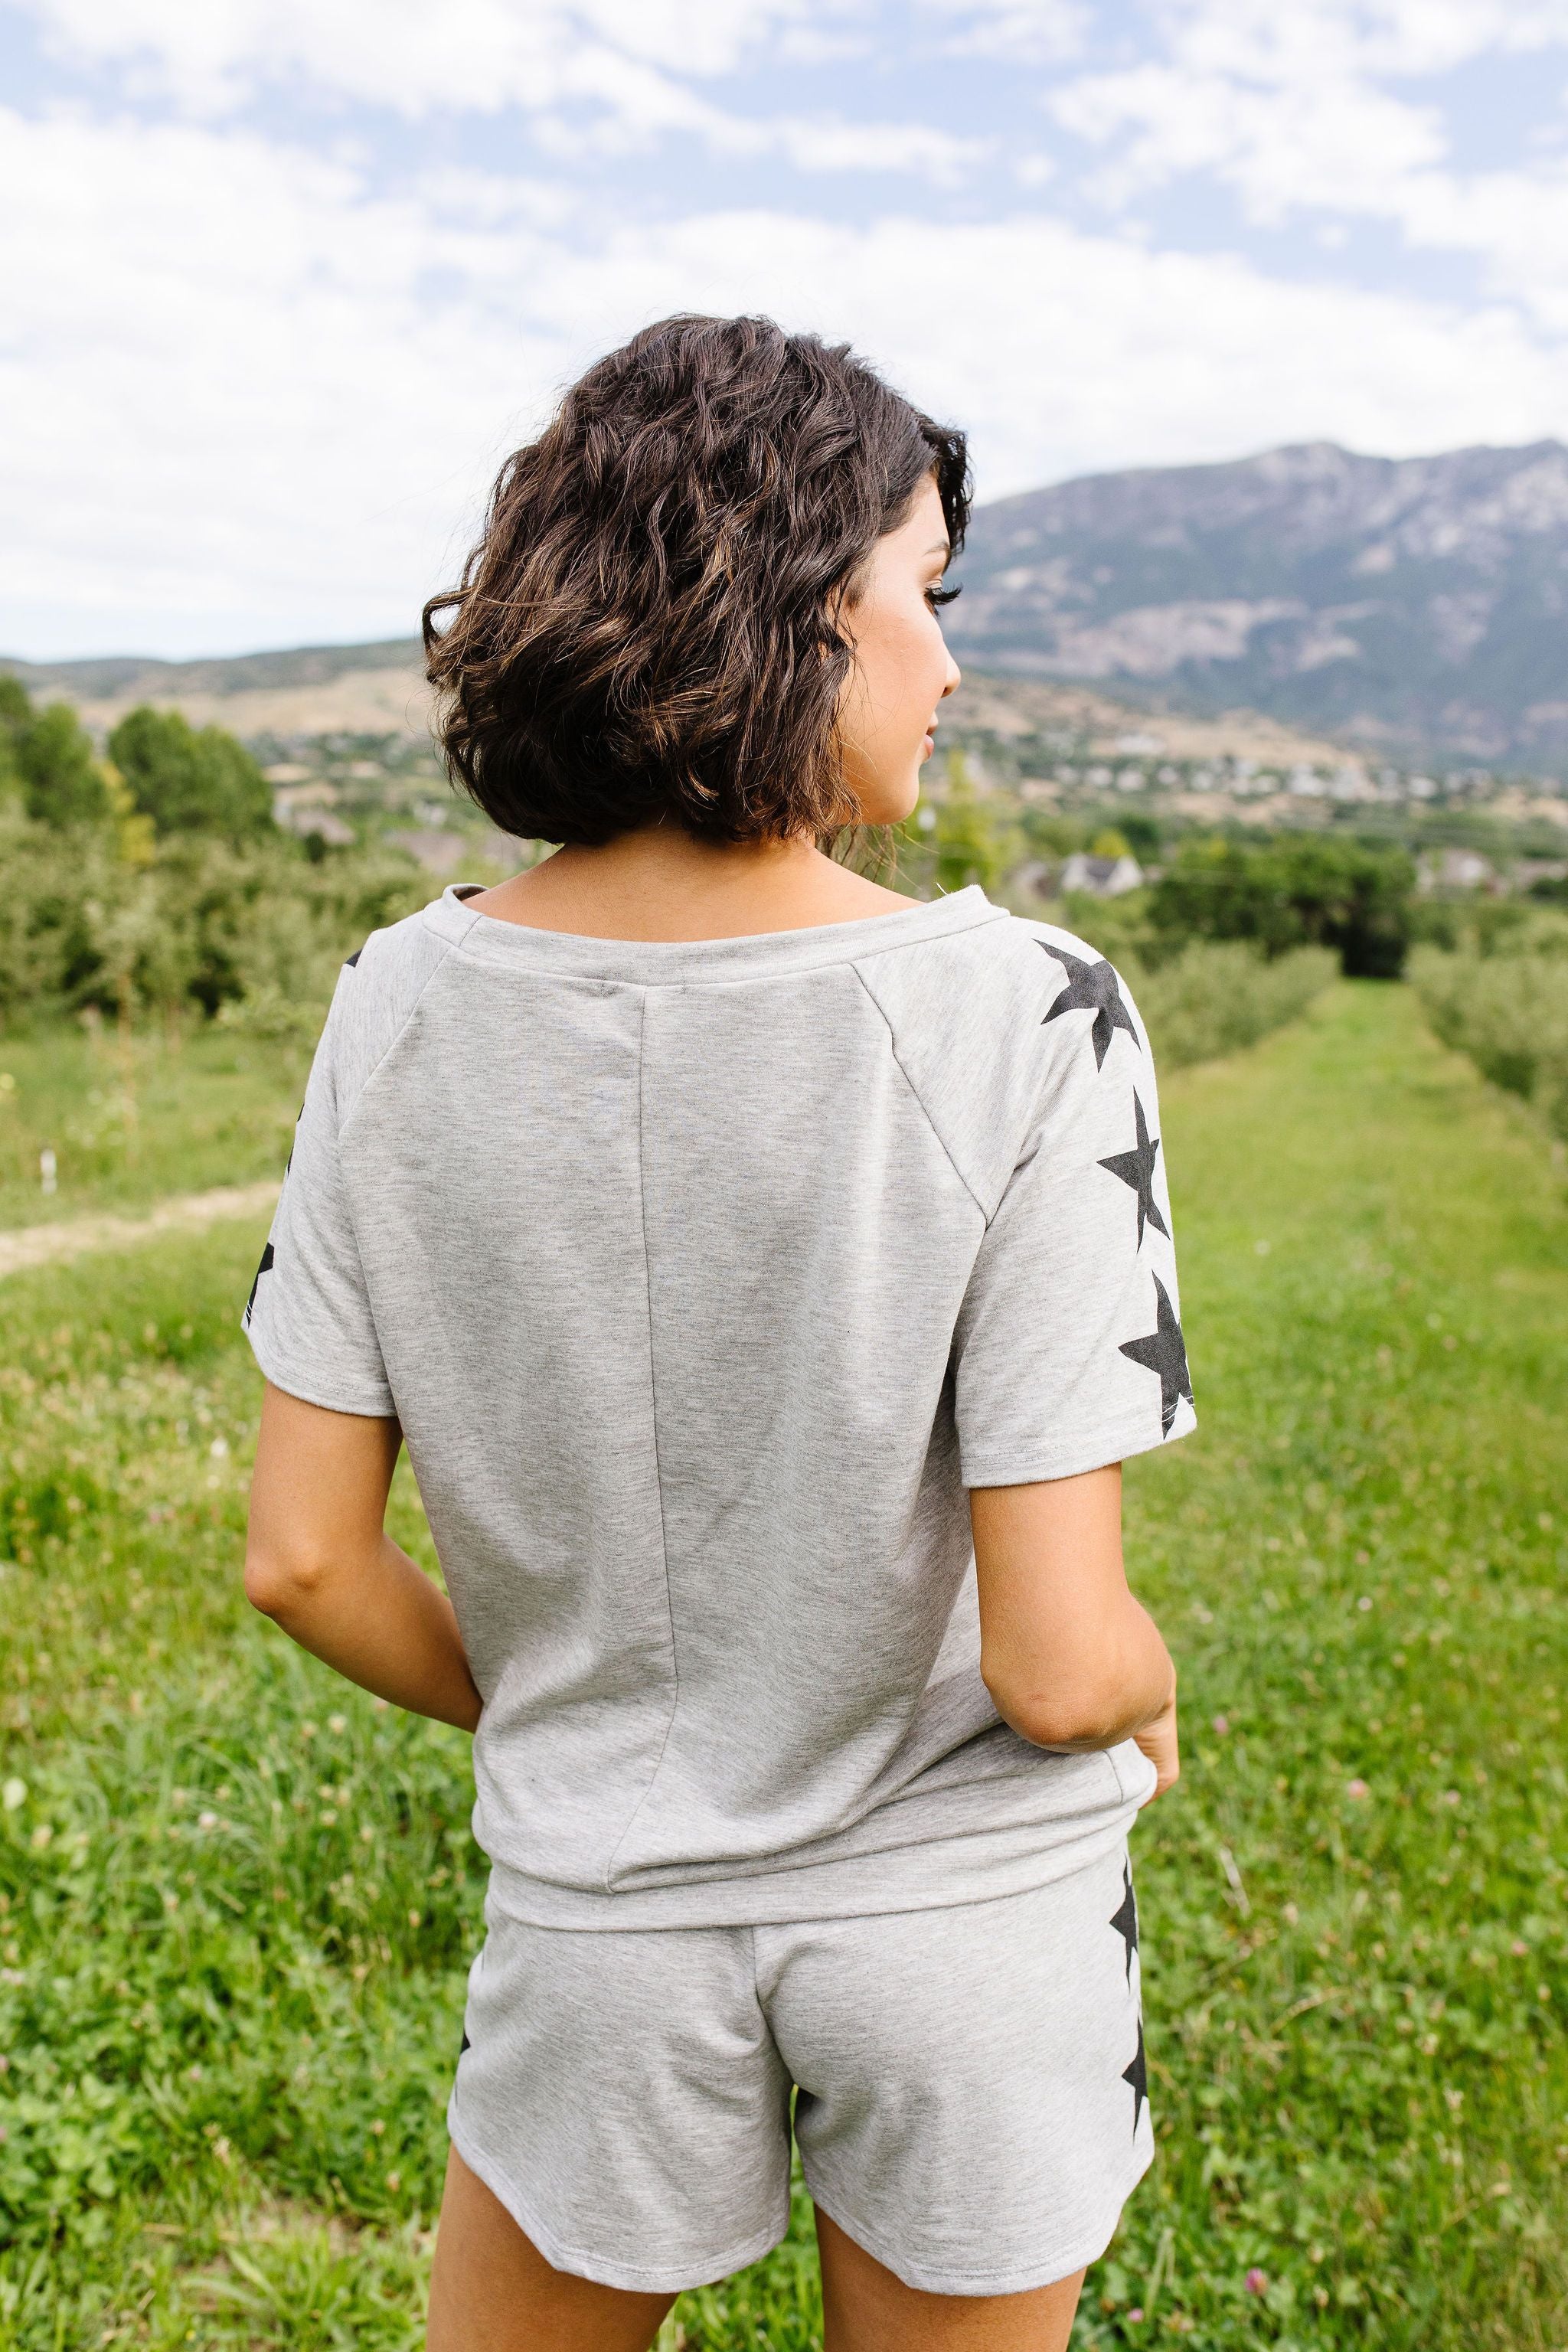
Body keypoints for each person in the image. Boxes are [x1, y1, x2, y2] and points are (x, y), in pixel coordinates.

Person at [241, 313, 1192, 2352]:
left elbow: (305, 1560)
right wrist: (1148, 1677)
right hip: (964, 1927)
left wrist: (598, 1724)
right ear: (789, 616)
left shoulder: (393, 1012)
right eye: (921, 598)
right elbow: (1053, 1659)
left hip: (597, 1929)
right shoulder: (1030, 1013)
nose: (951, 661)